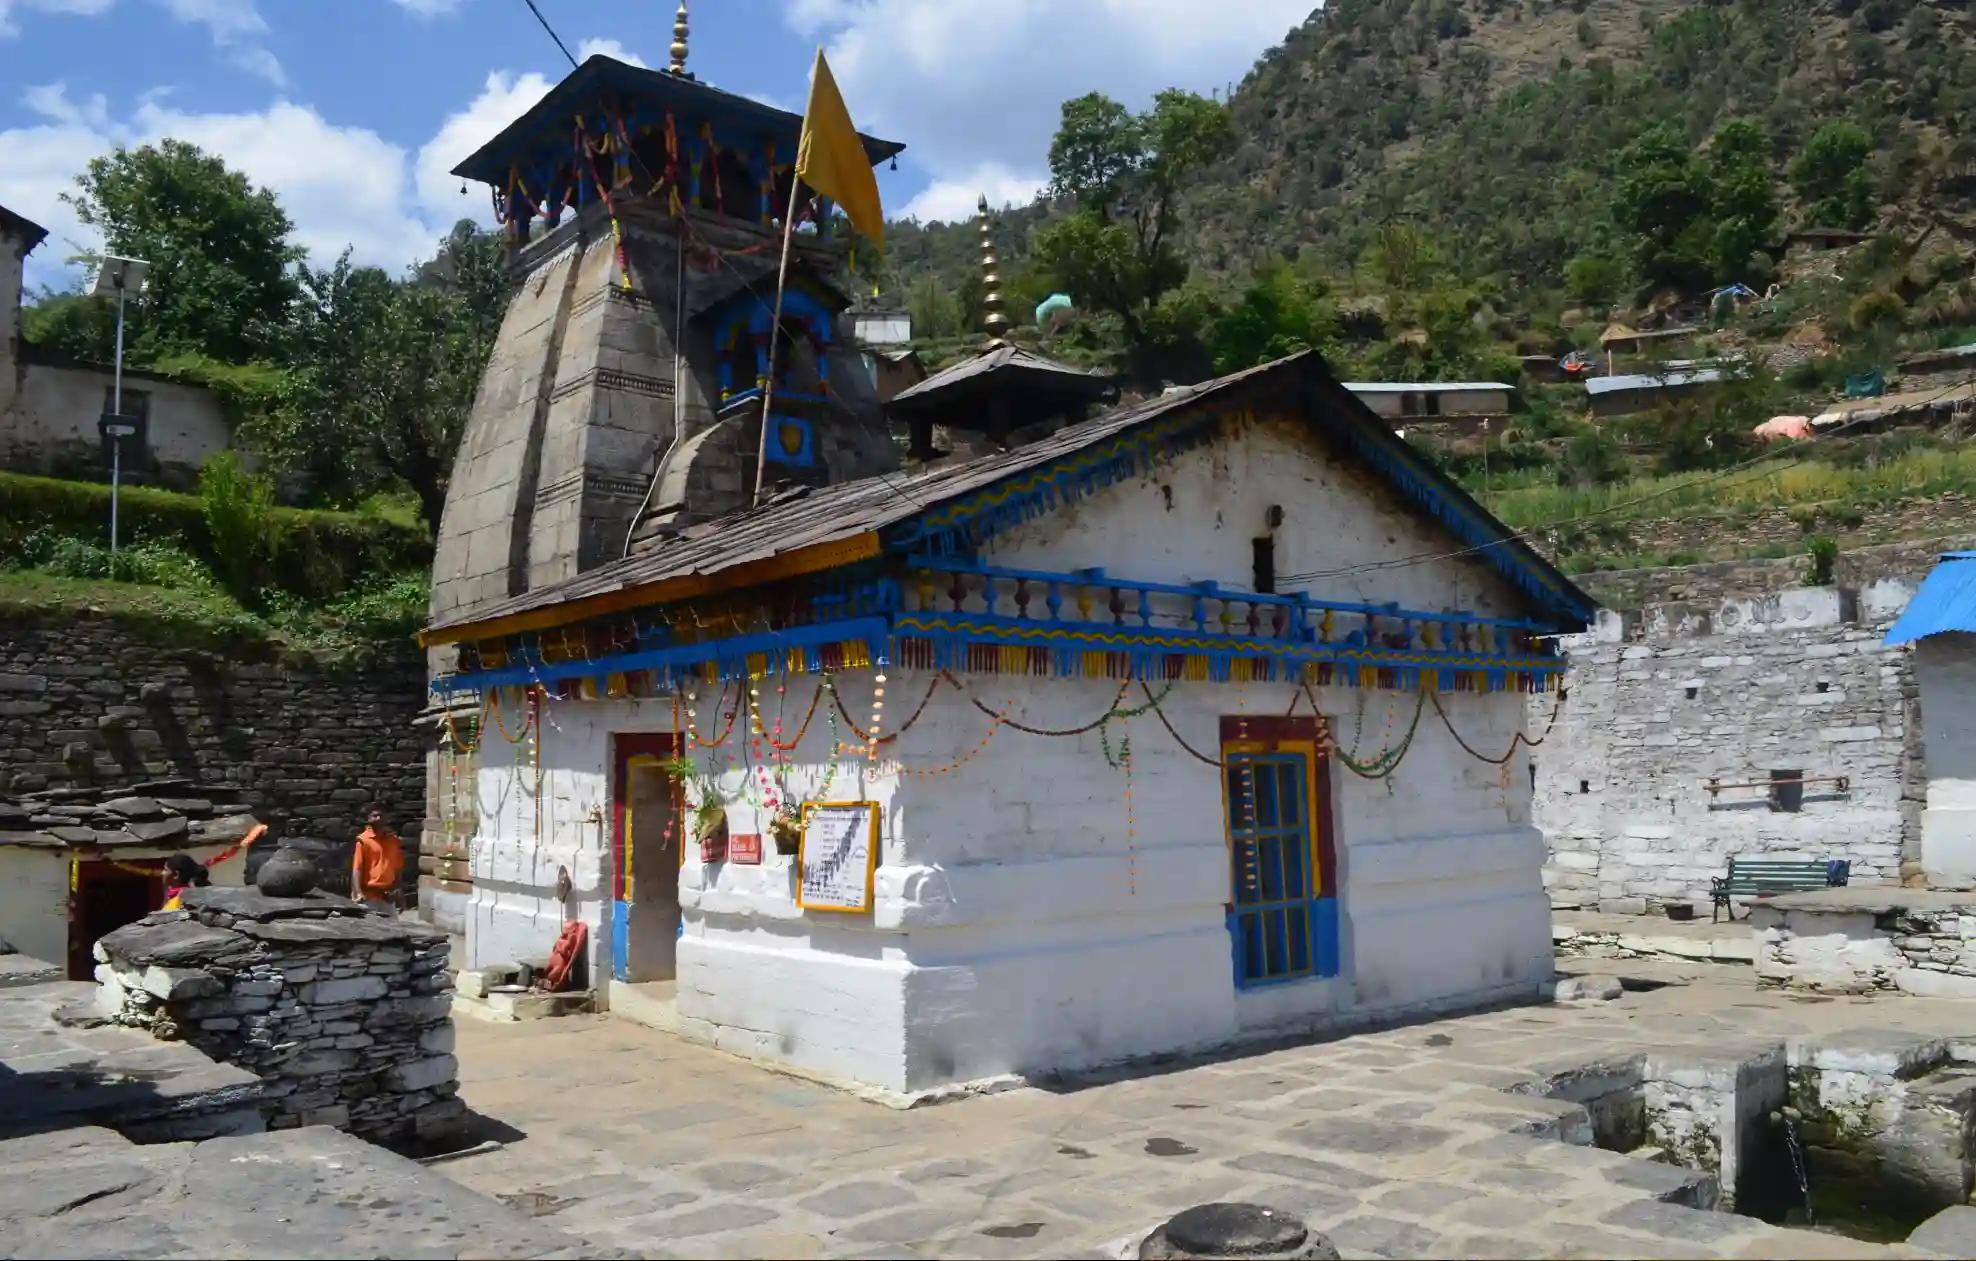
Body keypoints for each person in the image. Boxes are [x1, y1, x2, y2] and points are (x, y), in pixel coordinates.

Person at [351, 805, 404, 915]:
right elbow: (357, 869)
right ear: (368, 819)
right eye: (375, 816)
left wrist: (400, 894)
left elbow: (397, 869)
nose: (378, 819)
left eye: (381, 816)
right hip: (368, 897)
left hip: (388, 896)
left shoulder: (393, 841)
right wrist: (358, 892)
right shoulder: (363, 841)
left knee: (392, 930)